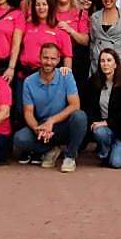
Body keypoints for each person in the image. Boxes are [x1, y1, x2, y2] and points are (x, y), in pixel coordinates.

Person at [14, 42, 87, 172]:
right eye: (45, 58)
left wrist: (51, 121)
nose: (49, 62)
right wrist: (37, 129)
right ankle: (51, 149)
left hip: (63, 124)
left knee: (80, 116)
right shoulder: (29, 81)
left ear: (58, 60)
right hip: (43, 126)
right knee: (20, 138)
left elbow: (75, 105)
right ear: (39, 58)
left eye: (53, 59)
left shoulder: (66, 76)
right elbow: (28, 112)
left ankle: (70, 156)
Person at [84, 48, 121, 168]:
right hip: (103, 131)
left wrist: (106, 122)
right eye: (102, 61)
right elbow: (89, 108)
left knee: (116, 163)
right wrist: (96, 122)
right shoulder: (93, 83)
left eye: (109, 60)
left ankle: (117, 151)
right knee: (99, 131)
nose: (105, 64)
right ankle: (105, 152)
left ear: (115, 64)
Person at [20, 0, 74, 75]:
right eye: (37, 5)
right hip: (24, 74)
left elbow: (67, 55)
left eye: (44, 4)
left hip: (48, 75)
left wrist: (66, 76)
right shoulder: (27, 25)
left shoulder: (60, 28)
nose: (41, 7)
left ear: (50, 7)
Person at [53, 0, 91, 79]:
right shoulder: (49, 14)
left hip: (76, 61)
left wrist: (71, 31)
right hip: (52, 59)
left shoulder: (80, 13)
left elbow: (85, 41)